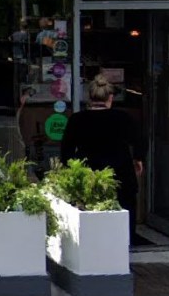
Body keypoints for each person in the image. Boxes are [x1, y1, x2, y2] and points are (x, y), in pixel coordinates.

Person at [61, 73, 146, 233]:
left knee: (88, 211)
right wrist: (138, 159)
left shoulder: (77, 119)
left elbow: (67, 149)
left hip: (88, 171)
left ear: (90, 98)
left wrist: (70, 170)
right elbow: (138, 140)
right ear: (110, 98)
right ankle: (126, 243)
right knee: (125, 208)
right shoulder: (123, 118)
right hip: (120, 171)